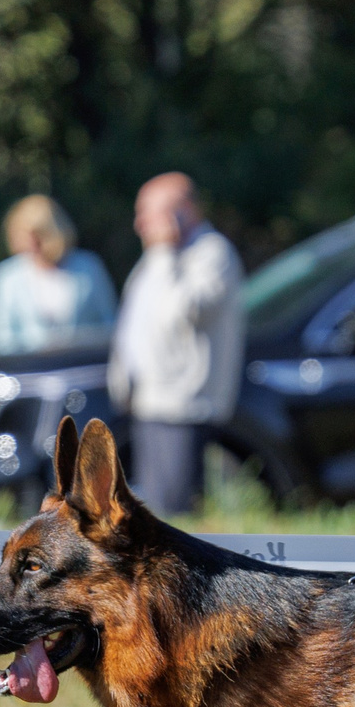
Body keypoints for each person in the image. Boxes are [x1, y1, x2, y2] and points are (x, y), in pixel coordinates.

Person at [107, 173, 243, 518]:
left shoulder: (213, 254)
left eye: (148, 213)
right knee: (152, 509)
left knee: (174, 515)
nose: (140, 224)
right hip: (149, 401)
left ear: (182, 211)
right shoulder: (155, 259)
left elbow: (179, 313)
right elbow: (132, 323)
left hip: (184, 404)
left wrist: (166, 251)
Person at [0, 195, 118, 355]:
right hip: (31, 371)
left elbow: (110, 325)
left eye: (38, 235)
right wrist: (41, 345)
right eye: (24, 235)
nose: (31, 242)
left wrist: (76, 343)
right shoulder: (6, 276)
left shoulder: (88, 266)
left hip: (82, 367)